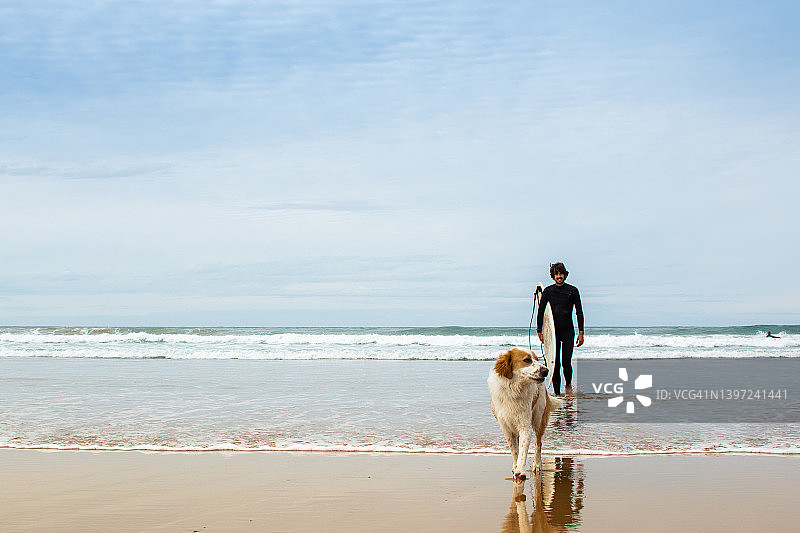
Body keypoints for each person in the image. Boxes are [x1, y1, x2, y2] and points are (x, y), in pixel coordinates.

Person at [537, 262, 584, 396]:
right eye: (557, 274)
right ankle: (557, 394)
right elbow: (541, 312)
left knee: (566, 363)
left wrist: (581, 332)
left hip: (568, 331)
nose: (559, 276)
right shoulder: (548, 292)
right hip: (553, 334)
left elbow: (579, 312)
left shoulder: (572, 291)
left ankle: (568, 385)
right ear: (553, 276)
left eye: (561, 274)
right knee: (555, 364)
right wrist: (539, 331)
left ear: (565, 275)